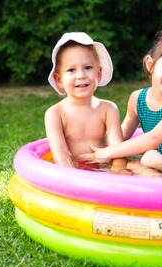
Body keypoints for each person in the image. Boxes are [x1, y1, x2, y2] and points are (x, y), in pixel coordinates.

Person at [77, 24, 162, 178]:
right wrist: (98, 147)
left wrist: (107, 152)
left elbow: (153, 139)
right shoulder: (137, 99)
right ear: (150, 65)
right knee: (148, 158)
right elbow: (120, 136)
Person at [43, 32, 129, 174]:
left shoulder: (108, 109)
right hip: (75, 172)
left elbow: (117, 149)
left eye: (88, 68)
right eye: (71, 70)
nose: (81, 75)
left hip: (104, 171)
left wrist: (119, 173)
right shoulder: (55, 114)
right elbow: (60, 152)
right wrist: (72, 178)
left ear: (99, 73)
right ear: (59, 80)